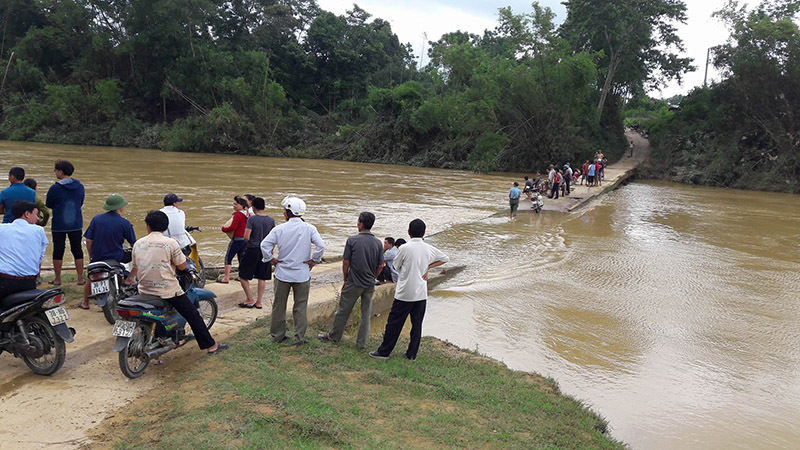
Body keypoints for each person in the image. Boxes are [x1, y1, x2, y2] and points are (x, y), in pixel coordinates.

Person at [132, 210, 227, 355]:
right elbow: (182, 266)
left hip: (144, 289)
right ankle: (211, 346)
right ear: (165, 227)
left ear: (148, 227)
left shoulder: (138, 243)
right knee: (192, 315)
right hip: (167, 291)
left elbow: (136, 266)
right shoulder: (170, 243)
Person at [370, 219, 449, 361]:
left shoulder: (404, 248)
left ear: (408, 232)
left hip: (405, 293)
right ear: (424, 233)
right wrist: (428, 267)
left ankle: (384, 352)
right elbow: (445, 258)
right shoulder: (428, 248)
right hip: (421, 294)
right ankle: (412, 354)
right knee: (416, 325)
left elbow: (395, 266)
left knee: (394, 324)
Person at [260, 196, 325, 345]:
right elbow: (321, 246)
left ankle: (278, 335)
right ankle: (299, 338)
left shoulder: (279, 229)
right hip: (302, 274)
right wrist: (314, 260)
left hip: (282, 273)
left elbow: (264, 245)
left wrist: (270, 259)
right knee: (300, 307)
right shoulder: (309, 228)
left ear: (287, 212)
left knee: (279, 306)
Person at [318, 212, 384, 349]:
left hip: (354, 282)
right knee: (366, 314)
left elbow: (346, 262)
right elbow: (380, 266)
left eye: (358, 221)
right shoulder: (378, 243)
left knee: (343, 311)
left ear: (361, 224)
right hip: (369, 284)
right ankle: (361, 343)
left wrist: (345, 279)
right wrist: (373, 277)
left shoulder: (352, 240)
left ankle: (334, 336)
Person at [80, 194, 137, 310]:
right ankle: (129, 279)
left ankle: (85, 302)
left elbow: (89, 240)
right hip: (116, 257)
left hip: (98, 257)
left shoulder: (96, 219)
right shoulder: (124, 223)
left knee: (91, 277)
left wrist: (92, 256)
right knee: (133, 261)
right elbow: (134, 244)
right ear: (120, 208)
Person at [46, 160, 85, 286]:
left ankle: (58, 279)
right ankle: (80, 279)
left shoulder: (55, 188)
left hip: (59, 223)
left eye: (56, 170)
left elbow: (48, 204)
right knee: (77, 249)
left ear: (61, 172)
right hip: (76, 222)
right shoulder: (79, 186)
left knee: (58, 250)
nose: (55, 172)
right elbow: (81, 202)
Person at [0, 201, 48, 300]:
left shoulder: (2, 229)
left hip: (4, 281)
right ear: (27, 214)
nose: (38, 218)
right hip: (29, 283)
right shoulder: (39, 231)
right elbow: (39, 258)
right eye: (36, 214)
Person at [238, 197, 275, 309]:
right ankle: (259, 302)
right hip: (266, 250)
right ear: (264, 207)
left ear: (253, 208)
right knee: (262, 277)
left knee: (243, 275)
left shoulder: (252, 219)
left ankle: (249, 298)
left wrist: (250, 241)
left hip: (253, 249)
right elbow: (273, 238)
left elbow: (246, 237)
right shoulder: (271, 220)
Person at [219, 196, 248, 283]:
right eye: (234, 204)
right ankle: (241, 276)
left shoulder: (238, 215)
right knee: (241, 258)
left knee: (228, 258)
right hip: (244, 240)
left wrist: (223, 228)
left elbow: (232, 227)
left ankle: (226, 278)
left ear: (241, 205)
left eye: (236, 204)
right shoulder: (247, 214)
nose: (234, 206)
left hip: (237, 239)